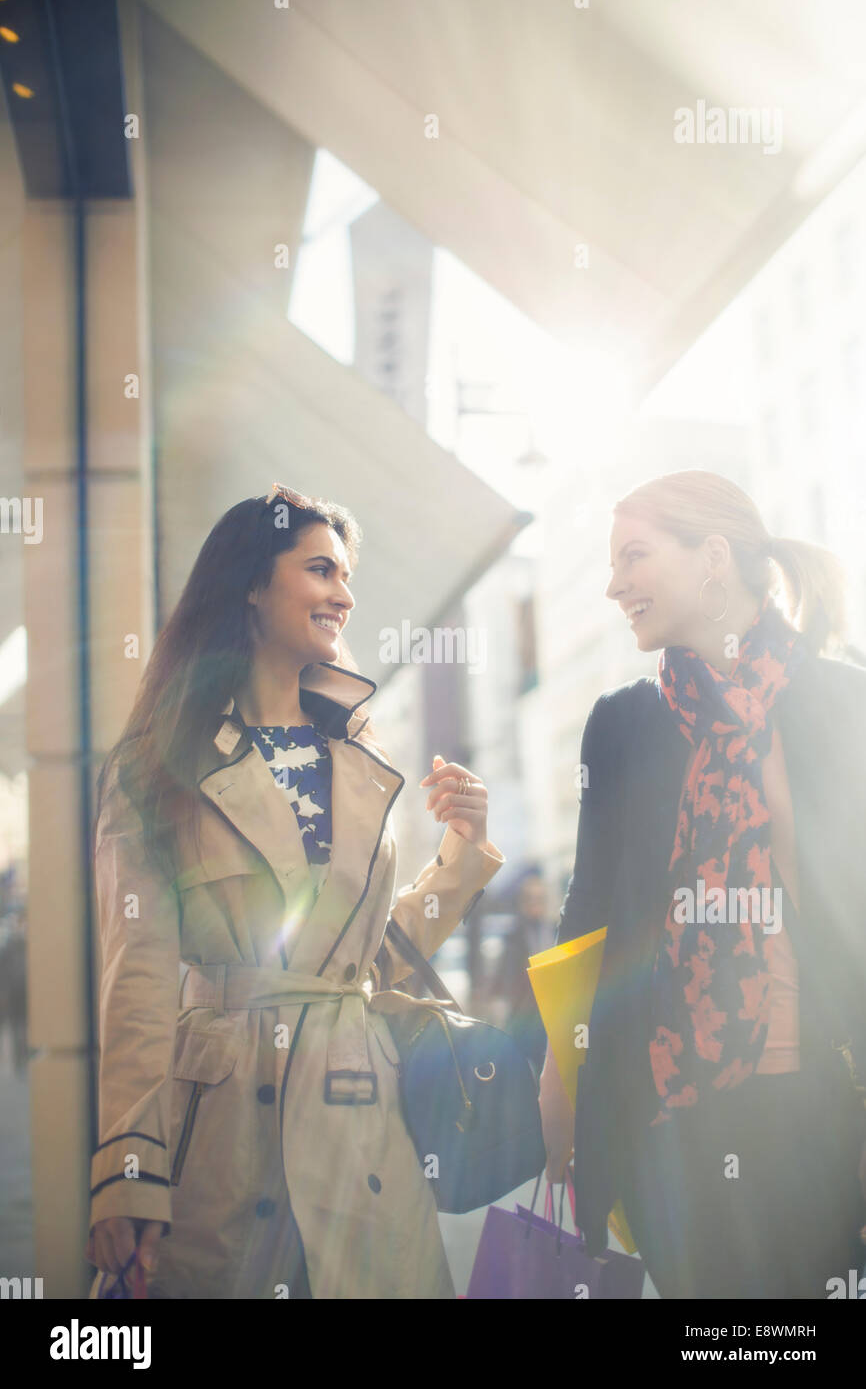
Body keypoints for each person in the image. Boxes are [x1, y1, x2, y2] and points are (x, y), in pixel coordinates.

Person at [84, 482, 504, 1299]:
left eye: (347, 577)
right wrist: (128, 1172)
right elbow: (136, 984)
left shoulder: (360, 753)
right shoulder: (156, 764)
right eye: (320, 570)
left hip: (366, 1129)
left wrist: (464, 852)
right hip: (225, 1132)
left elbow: (363, 955)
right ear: (249, 582)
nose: (344, 596)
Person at [539, 470, 866, 1299]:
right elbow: (591, 911)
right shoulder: (624, 725)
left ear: (712, 558)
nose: (614, 585)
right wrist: (560, 1073)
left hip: (821, 1097)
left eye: (634, 557)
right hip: (668, 1115)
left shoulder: (841, 705)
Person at [489, 868, 550, 1077]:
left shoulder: (552, 930)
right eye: (530, 899)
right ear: (523, 902)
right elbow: (504, 978)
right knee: (522, 1073)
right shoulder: (513, 935)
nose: (535, 904)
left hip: (549, 1017)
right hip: (523, 1015)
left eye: (539, 899)